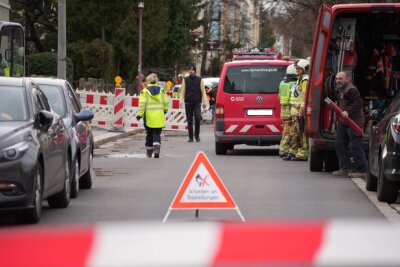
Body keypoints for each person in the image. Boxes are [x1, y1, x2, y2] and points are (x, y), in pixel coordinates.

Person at [332, 71, 367, 178]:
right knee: (339, 144)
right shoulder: (340, 89)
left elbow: (358, 103)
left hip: (354, 122)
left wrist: (348, 111)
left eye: (340, 79)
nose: (338, 81)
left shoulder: (351, 90)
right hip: (344, 122)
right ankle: (345, 168)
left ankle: (363, 170)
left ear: (346, 79)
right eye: (337, 79)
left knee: (355, 146)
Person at [136, 73, 169, 158]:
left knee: (149, 134)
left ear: (148, 81)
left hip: (149, 117)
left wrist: (139, 115)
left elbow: (142, 105)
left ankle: (149, 151)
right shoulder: (162, 91)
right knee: (157, 133)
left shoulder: (145, 92)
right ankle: (157, 149)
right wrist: (165, 110)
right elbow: (166, 102)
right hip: (159, 116)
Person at [283, 59, 309, 161]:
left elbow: (305, 96)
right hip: (295, 111)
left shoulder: (305, 80)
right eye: (296, 68)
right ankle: (295, 152)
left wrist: (302, 110)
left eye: (299, 69)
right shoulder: (300, 79)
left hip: (299, 111)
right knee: (295, 133)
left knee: (301, 133)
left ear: (304, 69)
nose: (297, 70)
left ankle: (302, 154)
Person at [179, 65, 208, 142]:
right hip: (188, 102)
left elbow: (203, 91)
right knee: (189, 120)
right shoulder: (185, 80)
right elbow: (182, 91)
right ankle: (190, 137)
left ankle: (197, 136)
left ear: (194, 71)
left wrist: (204, 101)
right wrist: (180, 100)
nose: (190, 71)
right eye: (189, 70)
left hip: (197, 102)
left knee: (198, 118)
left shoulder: (199, 80)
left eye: (191, 70)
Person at [278, 64, 297, 157]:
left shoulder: (282, 83)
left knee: (285, 131)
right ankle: (287, 150)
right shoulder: (294, 84)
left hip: (283, 111)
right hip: (291, 110)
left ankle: (283, 150)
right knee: (292, 132)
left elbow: (279, 97)